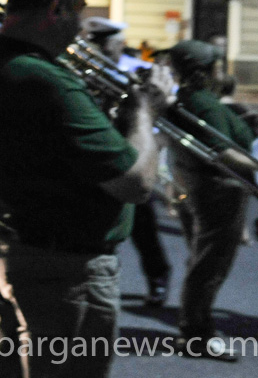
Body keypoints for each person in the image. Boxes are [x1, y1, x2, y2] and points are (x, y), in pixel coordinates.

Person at [0, 0, 160, 378]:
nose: (82, 25)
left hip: (5, 244)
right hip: (61, 268)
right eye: (80, 10)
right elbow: (136, 183)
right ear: (58, 8)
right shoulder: (45, 79)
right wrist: (143, 113)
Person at [166, 39, 258, 361]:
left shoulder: (191, 99)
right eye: (216, 66)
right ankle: (196, 334)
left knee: (202, 260)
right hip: (219, 191)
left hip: (203, 189)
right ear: (204, 72)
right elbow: (221, 153)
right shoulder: (203, 103)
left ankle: (197, 328)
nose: (221, 71)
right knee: (210, 265)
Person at [83, 16, 171, 307]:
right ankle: (94, 280)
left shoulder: (140, 70)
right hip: (99, 154)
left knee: (144, 226)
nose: (99, 48)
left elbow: (164, 106)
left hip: (134, 152)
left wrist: (154, 145)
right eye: (96, 42)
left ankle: (158, 276)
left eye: (105, 43)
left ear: (119, 42)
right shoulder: (85, 68)